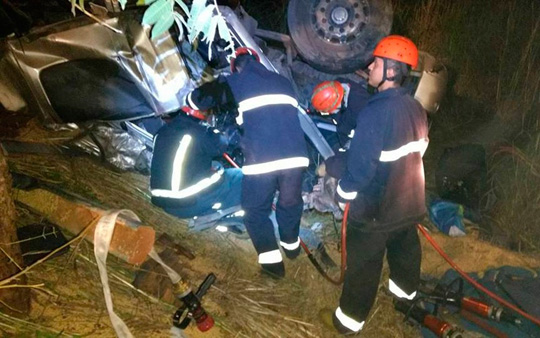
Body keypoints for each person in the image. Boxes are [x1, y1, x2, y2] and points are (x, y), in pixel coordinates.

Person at [320, 35, 429, 334]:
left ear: (392, 70)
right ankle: (405, 299)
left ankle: (348, 322)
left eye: (377, 62)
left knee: (363, 268)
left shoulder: (375, 112)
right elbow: (419, 151)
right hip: (410, 204)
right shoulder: (416, 108)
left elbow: (360, 168)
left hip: (375, 213)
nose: (370, 66)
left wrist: (342, 195)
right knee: (405, 253)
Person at [186, 47, 309, 278]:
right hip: (296, 158)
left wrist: (193, 96)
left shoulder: (238, 81)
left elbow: (199, 100)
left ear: (237, 66)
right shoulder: (283, 82)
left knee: (254, 211)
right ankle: (291, 247)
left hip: (263, 161)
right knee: (289, 203)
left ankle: (273, 267)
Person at [150, 108, 242, 219]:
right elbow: (222, 143)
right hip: (185, 204)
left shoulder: (162, 131)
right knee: (238, 176)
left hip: (163, 201)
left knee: (214, 165)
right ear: (204, 113)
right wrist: (215, 130)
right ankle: (226, 217)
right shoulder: (201, 133)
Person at [311, 80, 370, 179]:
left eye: (328, 112)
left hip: (359, 150)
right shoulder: (338, 88)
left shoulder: (360, 111)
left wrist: (329, 165)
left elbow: (358, 147)